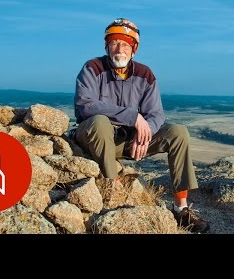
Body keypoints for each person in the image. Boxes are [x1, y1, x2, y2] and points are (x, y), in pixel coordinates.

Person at [74, 17, 209, 233]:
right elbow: (85, 106)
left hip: (128, 141)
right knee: (100, 122)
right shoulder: (92, 68)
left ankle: (181, 209)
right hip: (94, 138)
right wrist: (132, 117)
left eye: (126, 44)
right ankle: (112, 194)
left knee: (178, 132)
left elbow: (156, 114)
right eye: (114, 43)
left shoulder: (145, 75)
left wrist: (144, 133)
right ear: (107, 46)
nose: (120, 49)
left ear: (134, 49)